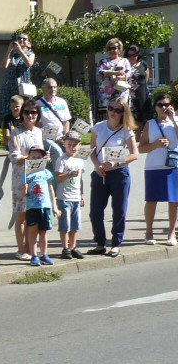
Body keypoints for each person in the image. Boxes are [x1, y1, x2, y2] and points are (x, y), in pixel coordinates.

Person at [88, 99, 139, 256]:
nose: (113, 112)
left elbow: (134, 154)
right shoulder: (98, 127)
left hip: (119, 173)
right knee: (95, 211)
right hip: (101, 173)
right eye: (111, 108)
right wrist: (97, 166)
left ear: (123, 113)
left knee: (119, 210)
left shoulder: (126, 130)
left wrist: (116, 162)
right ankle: (100, 243)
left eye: (117, 110)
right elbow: (92, 150)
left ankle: (116, 243)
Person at [138, 93, 178, 245]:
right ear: (155, 107)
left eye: (167, 104)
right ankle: (149, 232)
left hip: (173, 165)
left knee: (174, 201)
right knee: (151, 200)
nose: (164, 108)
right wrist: (155, 145)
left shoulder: (176, 121)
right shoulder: (150, 124)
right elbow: (141, 148)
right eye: (160, 105)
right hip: (153, 166)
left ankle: (171, 234)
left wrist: (174, 119)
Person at [9, 99, 43, 260]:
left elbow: (41, 153)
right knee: (21, 215)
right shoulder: (16, 133)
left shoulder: (38, 131)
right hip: (21, 178)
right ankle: (21, 248)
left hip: (36, 177)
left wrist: (44, 158)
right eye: (27, 112)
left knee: (33, 214)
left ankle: (31, 247)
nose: (30, 115)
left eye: (34, 112)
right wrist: (29, 157)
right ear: (22, 114)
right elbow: (14, 157)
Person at [21, 145, 59, 266]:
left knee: (43, 232)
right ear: (29, 158)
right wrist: (24, 189)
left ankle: (44, 254)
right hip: (32, 207)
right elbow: (23, 194)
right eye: (33, 157)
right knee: (32, 232)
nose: (36, 159)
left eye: (39, 157)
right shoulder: (26, 175)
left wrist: (55, 207)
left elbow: (51, 190)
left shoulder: (46, 173)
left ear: (43, 159)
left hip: (45, 205)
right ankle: (34, 255)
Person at [54, 131, 86, 259]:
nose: (72, 147)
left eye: (75, 145)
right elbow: (57, 178)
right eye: (69, 144)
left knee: (75, 224)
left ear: (79, 145)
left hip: (75, 197)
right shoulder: (61, 160)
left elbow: (81, 179)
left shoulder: (79, 160)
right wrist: (69, 174)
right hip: (64, 197)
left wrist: (81, 194)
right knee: (65, 225)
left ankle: (73, 246)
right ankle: (65, 248)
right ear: (64, 144)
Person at [1, 33, 35, 119]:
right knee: (8, 109)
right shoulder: (12, 55)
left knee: (23, 109)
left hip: (23, 86)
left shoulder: (30, 54)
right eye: (19, 38)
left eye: (24, 39)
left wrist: (20, 50)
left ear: (29, 43)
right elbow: (4, 66)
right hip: (10, 85)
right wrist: (9, 50)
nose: (21, 40)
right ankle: (7, 127)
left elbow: (29, 63)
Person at [97, 38, 132, 106]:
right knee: (107, 114)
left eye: (114, 48)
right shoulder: (103, 62)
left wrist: (117, 78)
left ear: (119, 49)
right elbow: (100, 72)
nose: (112, 50)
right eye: (110, 48)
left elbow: (129, 75)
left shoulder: (124, 61)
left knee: (122, 113)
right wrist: (116, 72)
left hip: (121, 93)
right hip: (106, 94)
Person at [127, 45, 153, 128]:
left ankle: (138, 139)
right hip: (128, 94)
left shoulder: (143, 64)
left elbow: (146, 79)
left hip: (141, 94)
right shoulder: (124, 65)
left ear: (138, 55)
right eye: (129, 55)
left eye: (134, 55)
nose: (132, 57)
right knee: (128, 117)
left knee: (140, 118)